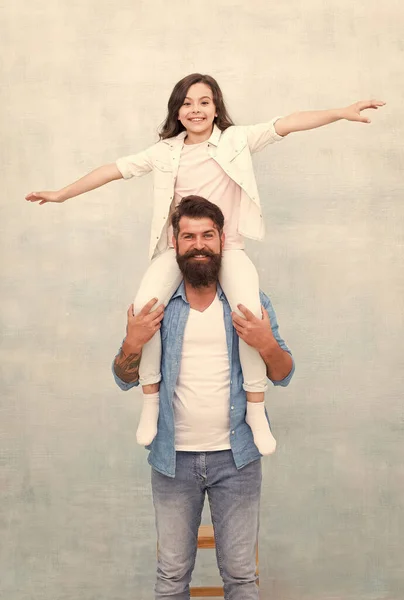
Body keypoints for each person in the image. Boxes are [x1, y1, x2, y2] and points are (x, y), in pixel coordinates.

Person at [25, 73, 385, 454]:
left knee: (249, 316)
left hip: (226, 249)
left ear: (216, 108)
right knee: (146, 310)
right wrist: (62, 194)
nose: (195, 110)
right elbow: (112, 170)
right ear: (177, 112)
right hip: (177, 249)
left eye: (204, 102)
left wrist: (341, 113)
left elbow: (289, 122)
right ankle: (149, 401)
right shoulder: (163, 152)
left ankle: (256, 409)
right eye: (187, 103)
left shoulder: (236, 140)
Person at [113, 195, 294, 599]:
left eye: (207, 235)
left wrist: (266, 344)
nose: (198, 244)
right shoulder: (160, 305)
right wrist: (131, 343)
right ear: (174, 243)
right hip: (172, 460)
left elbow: (283, 373)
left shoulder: (250, 301)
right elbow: (123, 376)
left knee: (241, 577)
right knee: (172, 576)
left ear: (221, 239)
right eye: (189, 236)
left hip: (238, 460)